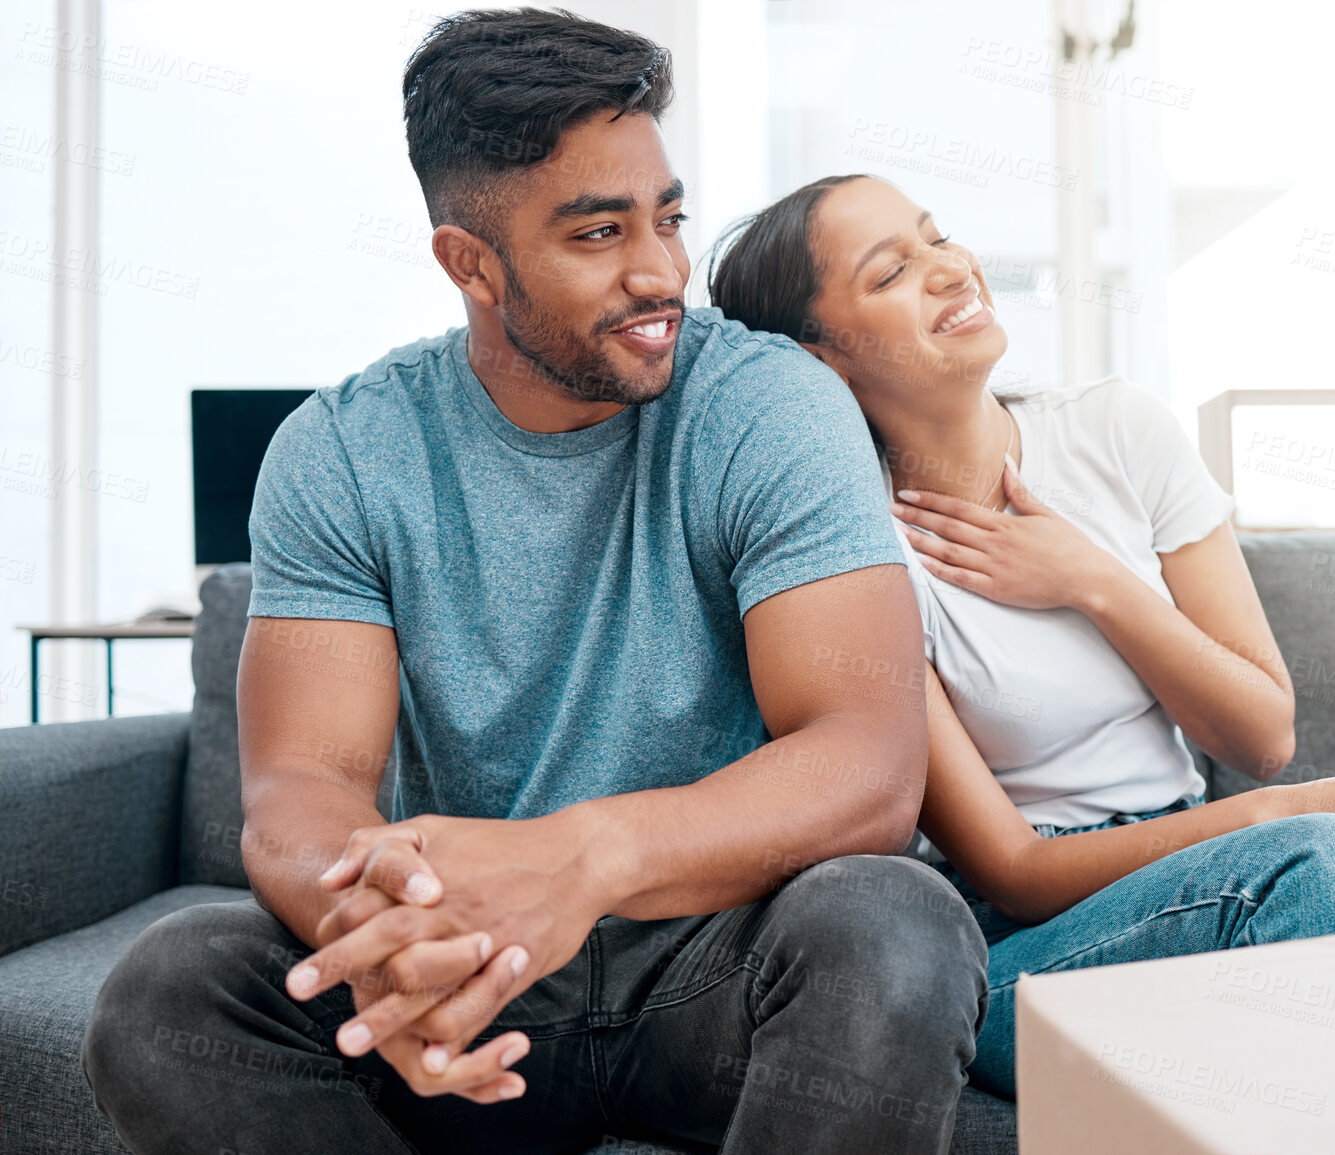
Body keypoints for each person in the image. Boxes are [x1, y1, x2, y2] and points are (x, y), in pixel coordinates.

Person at [81, 16, 988, 1155]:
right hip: (469, 984)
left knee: (896, 923)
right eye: (599, 233)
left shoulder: (771, 408)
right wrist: (390, 942)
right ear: (470, 263)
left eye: (668, 217)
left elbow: (866, 763)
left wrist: (584, 859)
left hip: (716, 968)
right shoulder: (345, 451)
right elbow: (302, 786)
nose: (659, 271)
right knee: (176, 993)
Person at [707, 173, 1335, 1097]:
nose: (950, 269)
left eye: (937, 237)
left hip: (1205, 854)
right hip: (1019, 942)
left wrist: (1091, 580)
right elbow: (1016, 871)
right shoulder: (846, 546)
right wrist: (1294, 819)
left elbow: (1260, 736)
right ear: (821, 359)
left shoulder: (1116, 429)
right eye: (891, 273)